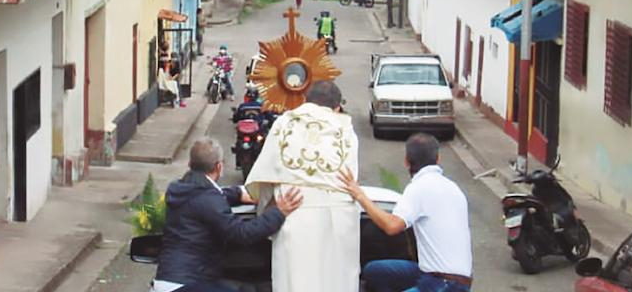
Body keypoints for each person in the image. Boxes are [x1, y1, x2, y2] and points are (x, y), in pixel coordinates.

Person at [244, 81, 360, 292]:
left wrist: (269, 209)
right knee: (335, 281)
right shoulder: (346, 129)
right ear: (337, 107)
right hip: (340, 217)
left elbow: (265, 172)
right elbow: (350, 180)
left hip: (295, 210)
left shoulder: (284, 123)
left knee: (297, 281)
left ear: (305, 100)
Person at [153, 138, 303, 292]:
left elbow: (206, 196)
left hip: (169, 279)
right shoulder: (208, 200)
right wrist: (279, 212)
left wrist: (238, 193)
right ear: (219, 166)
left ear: (190, 165)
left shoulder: (178, 188)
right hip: (188, 283)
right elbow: (242, 234)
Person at [338, 133, 473, 292]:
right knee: (375, 270)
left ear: (406, 161)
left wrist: (360, 196)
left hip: (442, 284)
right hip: (448, 277)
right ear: (438, 159)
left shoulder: (418, 188)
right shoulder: (454, 189)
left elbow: (392, 226)